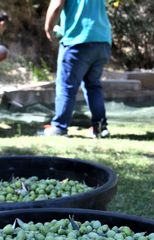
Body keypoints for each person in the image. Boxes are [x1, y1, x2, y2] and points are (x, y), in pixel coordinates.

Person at [39, 0, 112, 138]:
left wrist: (48, 27)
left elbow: (56, 5)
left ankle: (59, 128)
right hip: (102, 41)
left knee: (66, 86)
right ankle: (100, 128)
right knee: (93, 86)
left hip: (78, 40)